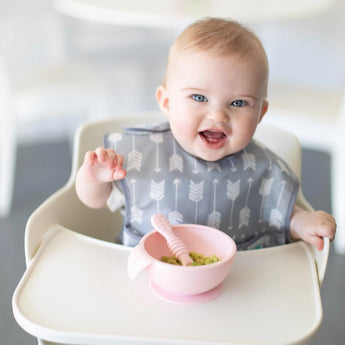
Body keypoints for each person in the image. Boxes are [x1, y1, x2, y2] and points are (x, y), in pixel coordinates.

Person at [76, 18, 336, 250]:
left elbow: (281, 214)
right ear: (166, 102)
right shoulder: (141, 157)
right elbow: (95, 201)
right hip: (150, 281)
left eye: (237, 103)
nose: (218, 116)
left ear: (260, 112)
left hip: (233, 284)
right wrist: (94, 179)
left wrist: (303, 222)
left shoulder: (261, 167)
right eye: (199, 97)